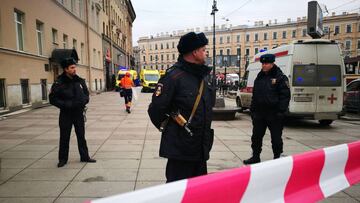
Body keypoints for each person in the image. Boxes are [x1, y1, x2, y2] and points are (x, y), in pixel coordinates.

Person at [148, 32, 215, 183]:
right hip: (180, 150)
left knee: (198, 192)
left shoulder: (203, 76)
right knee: (177, 191)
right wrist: (174, 129)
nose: (205, 53)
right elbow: (155, 110)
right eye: (203, 49)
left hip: (200, 147)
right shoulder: (173, 77)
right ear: (194, 52)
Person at [243, 54, 290, 165]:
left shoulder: (280, 77)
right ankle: (255, 156)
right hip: (260, 114)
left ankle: (277, 157)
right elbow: (255, 95)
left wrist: (280, 112)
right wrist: (253, 111)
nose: (264, 65)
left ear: (272, 63)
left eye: (266, 63)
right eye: (263, 63)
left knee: (276, 138)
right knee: (256, 137)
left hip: (274, 114)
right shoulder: (259, 77)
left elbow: (285, 96)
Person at [49, 56, 96, 168]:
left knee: (81, 136)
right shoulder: (59, 82)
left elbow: (86, 94)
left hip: (78, 113)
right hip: (66, 114)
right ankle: (62, 159)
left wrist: (84, 101)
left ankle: (85, 156)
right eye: (72, 67)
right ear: (66, 69)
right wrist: (66, 105)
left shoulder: (79, 80)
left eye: (75, 67)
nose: (74, 69)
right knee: (64, 137)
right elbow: (52, 99)